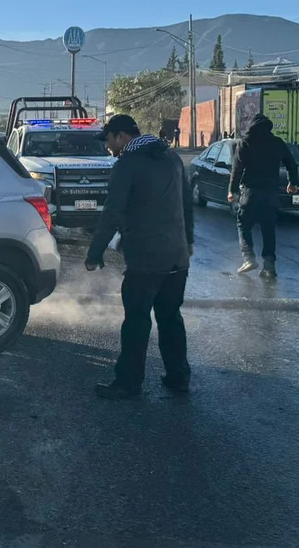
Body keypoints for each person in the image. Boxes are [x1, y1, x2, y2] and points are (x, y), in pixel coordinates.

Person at [84, 114, 194, 399]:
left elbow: (113, 211)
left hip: (146, 259)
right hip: (177, 257)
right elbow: (187, 204)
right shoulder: (171, 157)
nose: (107, 147)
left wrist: (95, 252)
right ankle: (178, 376)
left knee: (136, 321)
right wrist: (189, 241)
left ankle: (128, 383)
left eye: (108, 140)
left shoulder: (127, 164)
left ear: (121, 136)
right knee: (170, 317)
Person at [228, 114, 299, 278]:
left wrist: (232, 190)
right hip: (271, 193)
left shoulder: (245, 143)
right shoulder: (277, 143)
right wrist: (292, 182)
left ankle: (248, 258)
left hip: (250, 192)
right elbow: (291, 163)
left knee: (243, 225)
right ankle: (269, 266)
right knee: (268, 229)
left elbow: (237, 169)